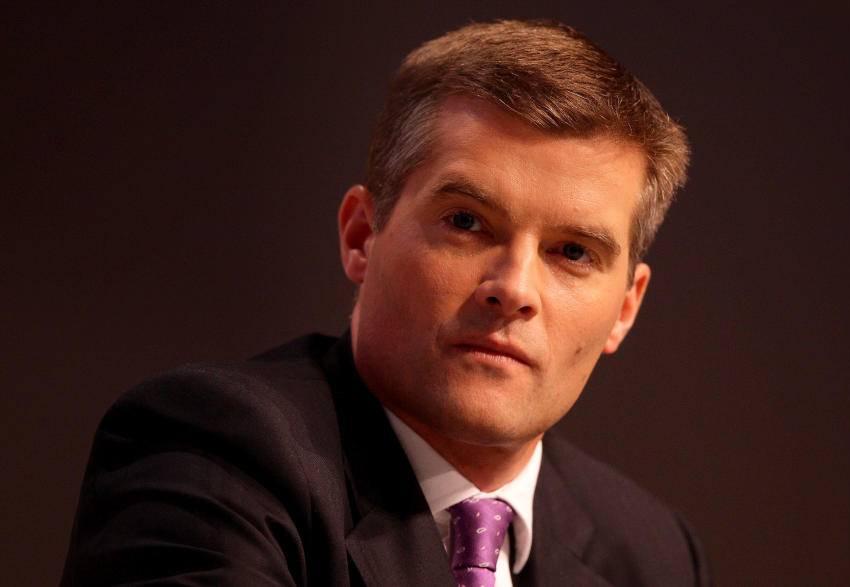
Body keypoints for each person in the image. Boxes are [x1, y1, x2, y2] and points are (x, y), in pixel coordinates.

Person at [62, 19, 708, 586]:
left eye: (572, 252)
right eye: (466, 222)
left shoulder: (652, 552)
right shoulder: (217, 451)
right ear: (361, 236)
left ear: (626, 307)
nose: (512, 288)